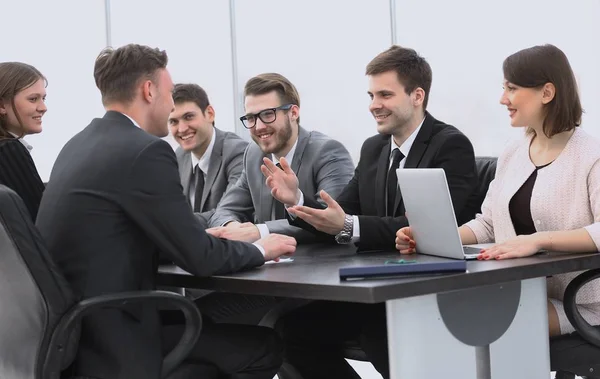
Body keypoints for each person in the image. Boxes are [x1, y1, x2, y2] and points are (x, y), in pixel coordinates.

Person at [35, 44, 296, 379]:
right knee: (265, 347)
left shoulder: (77, 145)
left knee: (215, 324)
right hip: (118, 342)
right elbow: (199, 259)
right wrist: (259, 249)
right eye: (170, 93)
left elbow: (114, 238)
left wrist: (197, 236)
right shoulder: (144, 151)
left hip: (75, 336)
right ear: (148, 90)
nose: (172, 104)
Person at [265, 45, 478, 379]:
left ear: (417, 95)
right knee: (288, 331)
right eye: (371, 95)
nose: (373, 105)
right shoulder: (374, 148)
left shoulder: (450, 145)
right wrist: (297, 200)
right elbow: (341, 211)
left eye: (384, 94)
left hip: (425, 289)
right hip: (374, 288)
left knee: (379, 332)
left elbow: (424, 227)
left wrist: (349, 225)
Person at [396, 43, 600, 342]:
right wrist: (431, 236)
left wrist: (536, 241)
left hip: (585, 303)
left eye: (513, 88)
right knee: (443, 317)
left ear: (547, 93)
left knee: (486, 324)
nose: (503, 98)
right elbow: (489, 223)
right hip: (524, 293)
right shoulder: (513, 151)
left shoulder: (591, 155)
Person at [208, 73, 354, 244]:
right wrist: (232, 228)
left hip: (321, 265)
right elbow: (225, 209)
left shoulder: (328, 152)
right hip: (269, 263)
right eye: (251, 118)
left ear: (293, 112)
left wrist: (259, 231)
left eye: (268, 114)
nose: (259, 126)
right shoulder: (253, 154)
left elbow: (330, 220)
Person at [169, 83, 248, 223]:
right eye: (174, 122)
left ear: (210, 114)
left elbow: (226, 213)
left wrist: (173, 221)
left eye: (188, 117)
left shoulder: (238, 152)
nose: (181, 129)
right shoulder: (179, 156)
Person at [0, 62, 46, 220]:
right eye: (33, 99)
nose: (43, 107)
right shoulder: (9, 151)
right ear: (2, 105)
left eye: (43, 98)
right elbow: (40, 219)